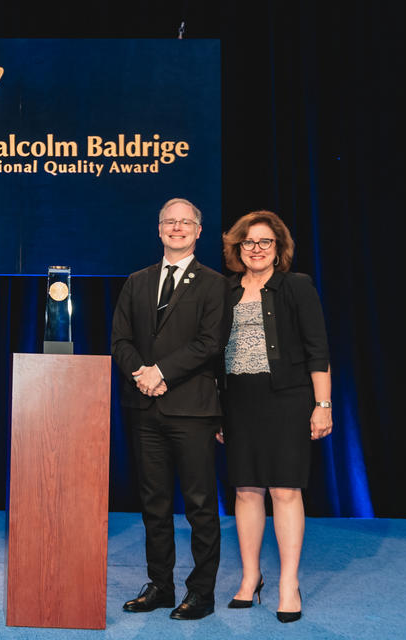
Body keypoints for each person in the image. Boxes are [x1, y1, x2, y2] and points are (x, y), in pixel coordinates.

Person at [111, 197, 228, 620]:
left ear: (198, 231)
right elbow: (120, 341)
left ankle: (202, 592)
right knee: (154, 505)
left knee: (199, 505)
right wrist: (141, 374)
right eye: (169, 221)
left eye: (185, 222)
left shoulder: (215, 284)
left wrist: (160, 371)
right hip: (144, 409)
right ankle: (160, 585)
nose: (176, 228)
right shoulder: (136, 281)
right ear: (159, 229)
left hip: (192, 410)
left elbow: (210, 344)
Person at [217, 210, 331, 623]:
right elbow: (213, 355)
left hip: (286, 398)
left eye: (266, 242)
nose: (257, 249)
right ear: (238, 248)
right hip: (238, 400)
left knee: (285, 491)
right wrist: (216, 412)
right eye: (249, 242)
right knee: (246, 491)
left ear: (279, 248)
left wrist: (322, 405)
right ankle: (250, 579)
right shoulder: (225, 290)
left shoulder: (296, 287)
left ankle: (288, 583)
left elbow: (317, 350)